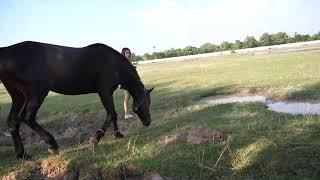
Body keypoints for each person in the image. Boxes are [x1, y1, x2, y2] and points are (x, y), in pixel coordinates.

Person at [121, 47, 134, 119]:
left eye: (129, 52)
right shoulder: (123, 62)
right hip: (126, 83)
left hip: (130, 82)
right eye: (126, 53)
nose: (128, 54)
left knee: (130, 98)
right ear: (123, 54)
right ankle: (126, 114)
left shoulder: (128, 61)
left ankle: (128, 113)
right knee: (126, 99)